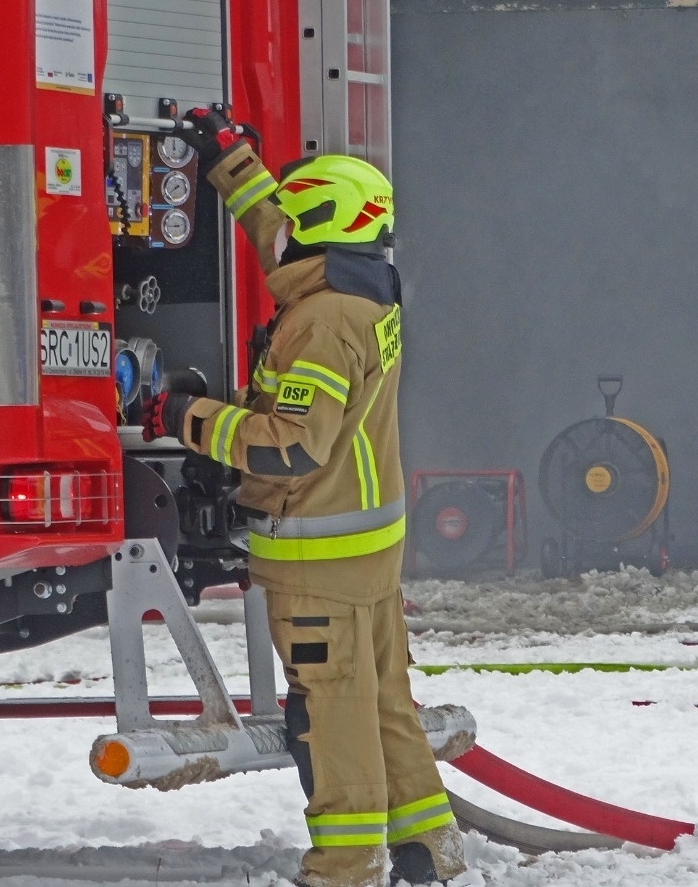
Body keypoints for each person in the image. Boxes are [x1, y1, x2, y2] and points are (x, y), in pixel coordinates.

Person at [143, 108, 469, 887]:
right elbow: (284, 240)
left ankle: (346, 867)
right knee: (384, 697)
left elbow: (293, 443)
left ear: (320, 226)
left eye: (294, 215)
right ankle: (430, 844)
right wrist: (231, 162)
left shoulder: (320, 325)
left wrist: (181, 416)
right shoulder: (359, 291)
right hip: (364, 548)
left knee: (334, 715)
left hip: (317, 554)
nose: (279, 229)